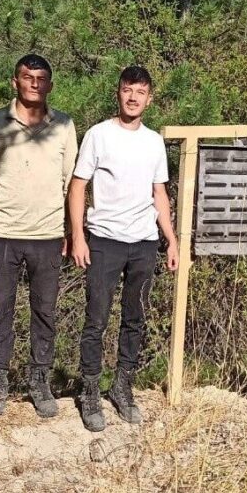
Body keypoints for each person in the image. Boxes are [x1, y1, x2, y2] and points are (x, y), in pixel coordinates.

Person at [0, 53, 77, 417]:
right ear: (15, 81)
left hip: (47, 235)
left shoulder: (64, 126)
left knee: (44, 312)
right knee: (1, 310)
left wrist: (73, 231)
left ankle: (39, 381)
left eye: (41, 78)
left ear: (50, 85)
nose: (34, 83)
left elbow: (72, 183)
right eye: (27, 77)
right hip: (2, 232)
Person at [67, 65, 179, 432]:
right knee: (96, 319)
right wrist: (79, 236)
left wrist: (171, 240)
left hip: (144, 243)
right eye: (128, 90)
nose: (133, 97)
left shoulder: (153, 141)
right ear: (118, 93)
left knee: (136, 319)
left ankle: (122, 387)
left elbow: (159, 192)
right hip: (104, 240)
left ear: (150, 98)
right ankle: (90, 392)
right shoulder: (98, 135)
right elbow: (79, 186)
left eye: (141, 91)